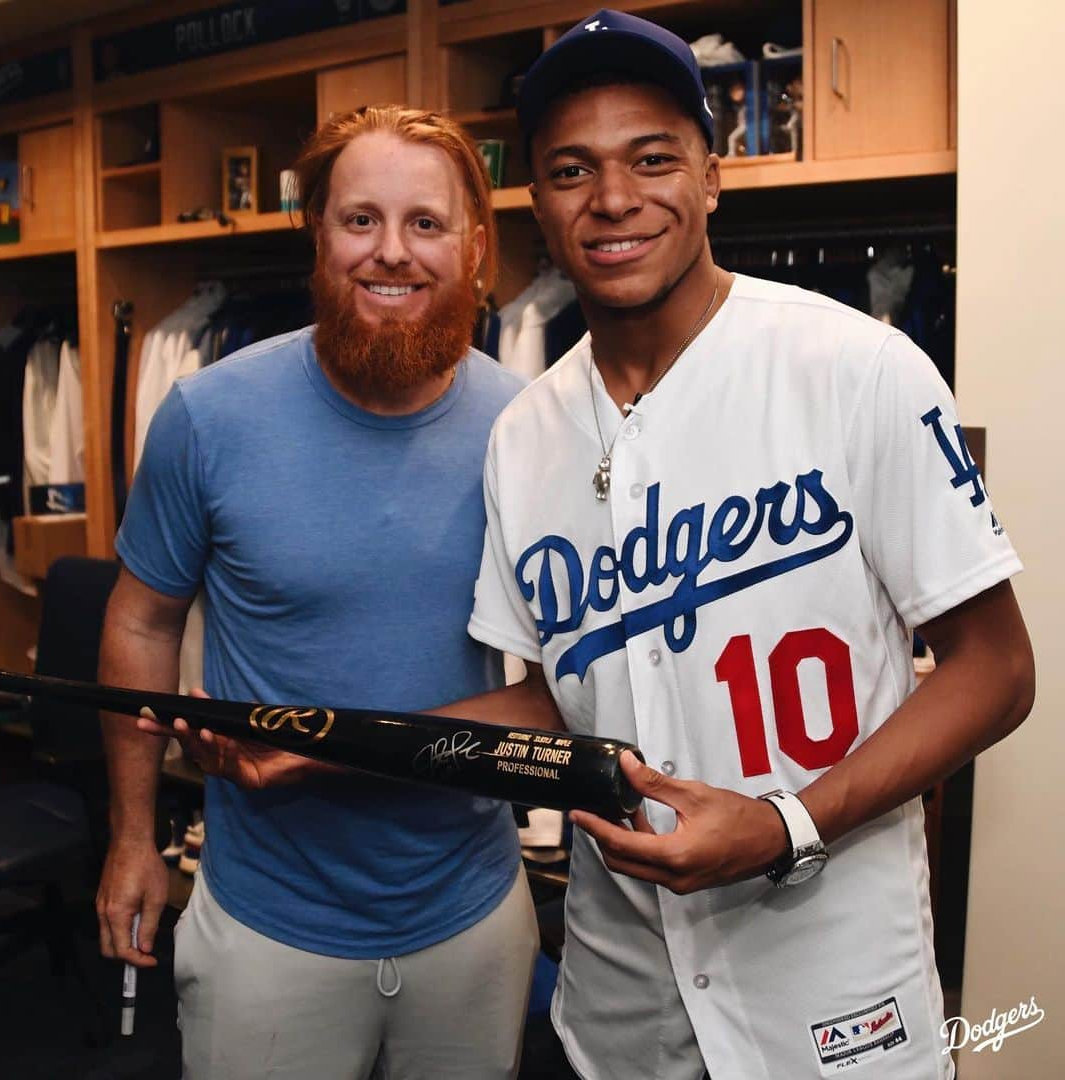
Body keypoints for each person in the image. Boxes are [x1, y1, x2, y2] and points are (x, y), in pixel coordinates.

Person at [461, 10, 1035, 1080]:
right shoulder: (521, 436)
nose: (614, 199)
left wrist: (786, 824)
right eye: (572, 169)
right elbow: (561, 697)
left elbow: (998, 671)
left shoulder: (859, 368)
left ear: (712, 178)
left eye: (652, 158)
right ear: (536, 201)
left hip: (833, 994)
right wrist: (313, 743)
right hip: (621, 1004)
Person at [94, 105, 539, 1080]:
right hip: (267, 926)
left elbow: (564, 683)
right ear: (317, 236)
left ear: (474, 247)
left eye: (426, 223)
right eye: (360, 220)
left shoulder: (528, 428)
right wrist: (132, 836)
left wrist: (316, 752)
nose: (393, 253)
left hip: (471, 917)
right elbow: (140, 615)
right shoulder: (208, 417)